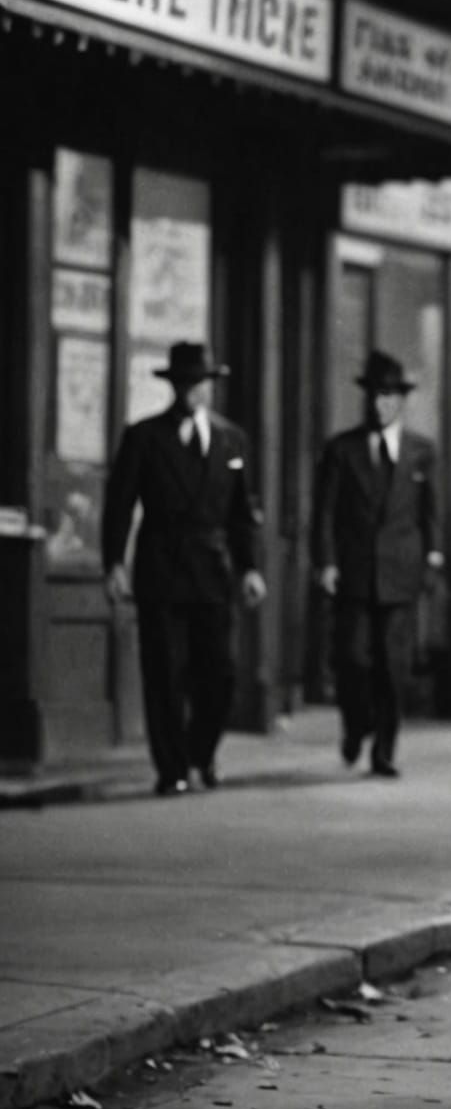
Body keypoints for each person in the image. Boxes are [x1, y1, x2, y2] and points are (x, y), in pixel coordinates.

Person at [102, 341, 265, 796]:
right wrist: (114, 562)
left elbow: (241, 513)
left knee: (221, 672)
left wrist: (250, 568)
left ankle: (202, 755)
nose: (196, 391)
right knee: (165, 674)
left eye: (203, 383)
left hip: (213, 571)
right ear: (173, 386)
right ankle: (172, 768)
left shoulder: (232, 439)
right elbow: (119, 506)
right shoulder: (144, 437)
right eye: (187, 383)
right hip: (161, 570)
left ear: (211, 386)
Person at [312, 350, 444, 779]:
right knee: (352, 659)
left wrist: (432, 561)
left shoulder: (422, 451)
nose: (380, 403)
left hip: (401, 575)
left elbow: (432, 514)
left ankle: (384, 750)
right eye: (374, 395)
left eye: (389, 395)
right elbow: (325, 512)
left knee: (392, 665)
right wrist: (326, 563)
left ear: (401, 400)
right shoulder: (342, 449)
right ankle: (355, 727)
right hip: (353, 572)